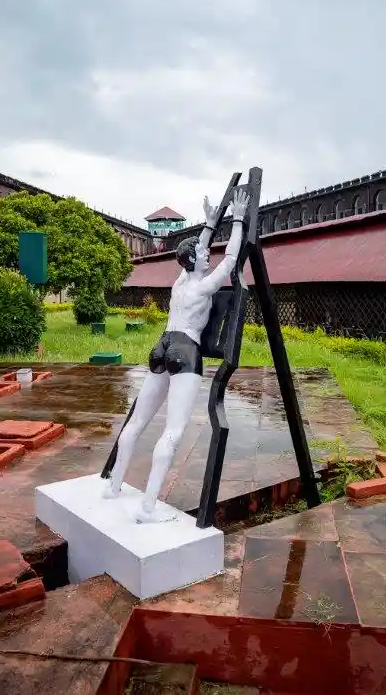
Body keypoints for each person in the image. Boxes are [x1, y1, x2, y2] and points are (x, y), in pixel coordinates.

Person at [104, 186, 249, 522]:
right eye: (202, 255)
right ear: (194, 261)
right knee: (173, 430)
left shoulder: (180, 283)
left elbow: (198, 250)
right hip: (185, 348)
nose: (206, 255)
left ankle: (114, 486)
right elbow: (230, 259)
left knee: (138, 421)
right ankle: (148, 508)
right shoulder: (202, 285)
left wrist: (210, 225)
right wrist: (238, 220)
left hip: (161, 345)